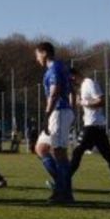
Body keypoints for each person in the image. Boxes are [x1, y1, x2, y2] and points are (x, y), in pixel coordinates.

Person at [69, 68, 110, 195]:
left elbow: (101, 101)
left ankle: (62, 183)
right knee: (108, 157)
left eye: (71, 78)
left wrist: (83, 102)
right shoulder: (82, 87)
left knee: (77, 152)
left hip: (93, 126)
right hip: (96, 126)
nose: (71, 81)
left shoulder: (89, 83)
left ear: (74, 75)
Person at [33, 42, 74, 204]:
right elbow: (72, 91)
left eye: (37, 55)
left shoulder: (55, 68)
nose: (37, 59)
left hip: (59, 112)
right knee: (41, 148)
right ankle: (62, 186)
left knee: (59, 153)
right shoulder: (59, 67)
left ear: (44, 53)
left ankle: (64, 194)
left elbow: (55, 92)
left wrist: (47, 114)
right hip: (60, 112)